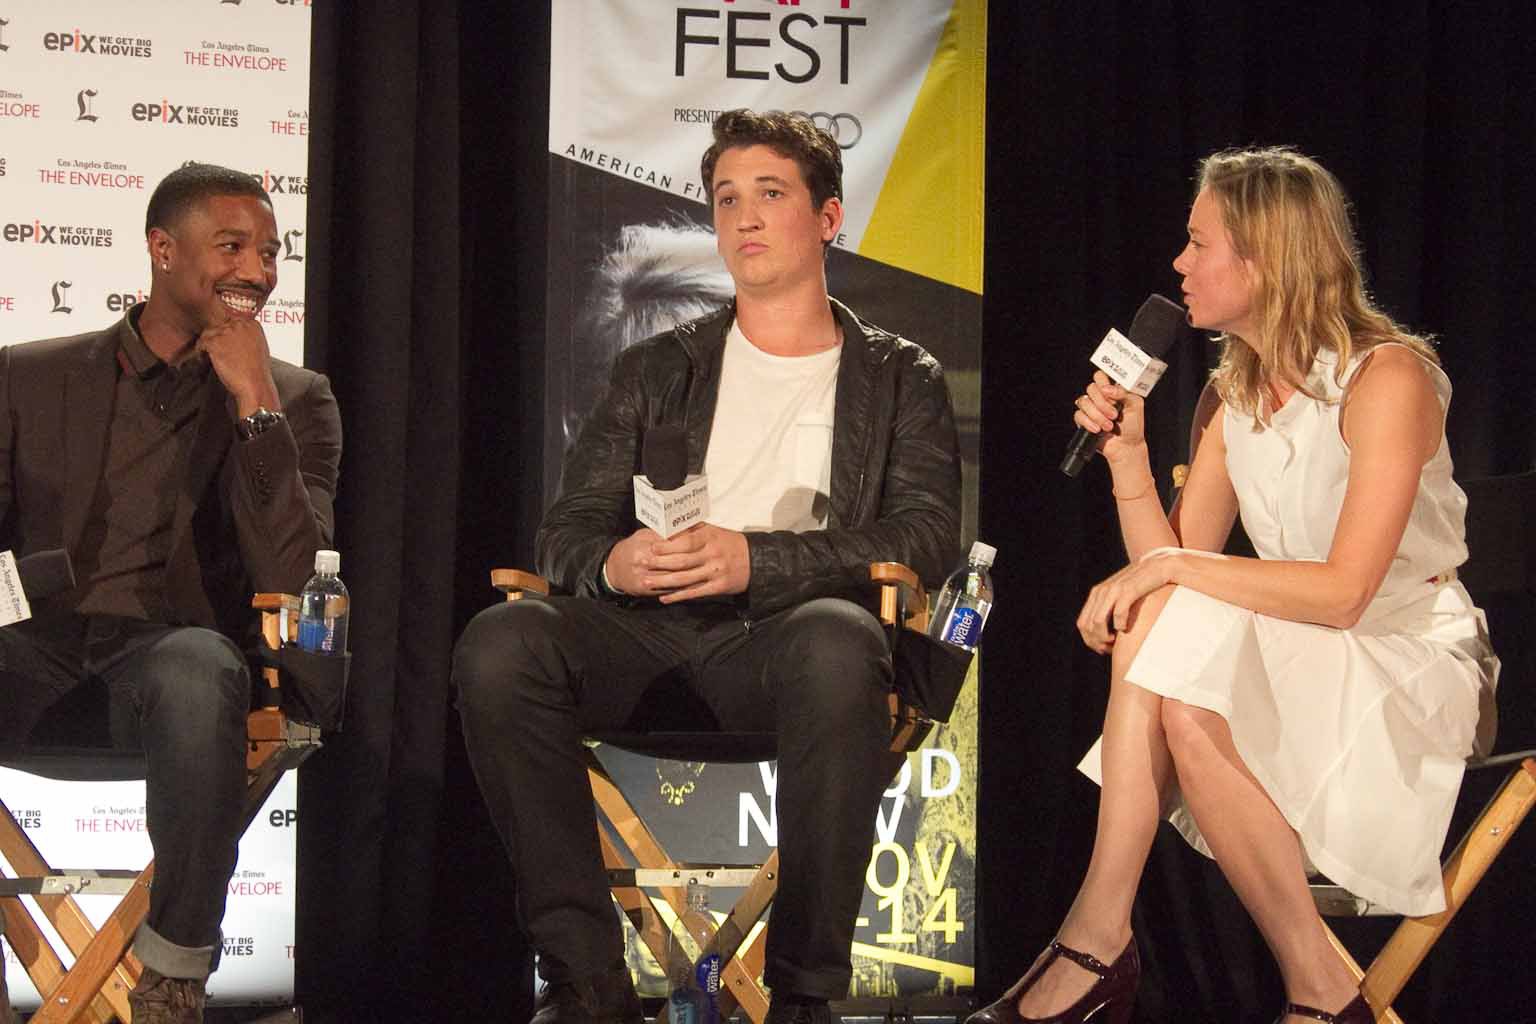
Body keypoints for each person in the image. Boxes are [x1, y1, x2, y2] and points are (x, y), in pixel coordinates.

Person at [968, 147, 1497, 1024]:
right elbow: (1167, 579)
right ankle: (1284, 984)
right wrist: (1130, 464)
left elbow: (1345, 594)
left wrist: (1171, 567)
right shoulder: (1231, 394)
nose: (1178, 264)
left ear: (1265, 256)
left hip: (1410, 663)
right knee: (1157, 632)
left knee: (1178, 661)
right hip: (1299, 658)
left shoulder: (1385, 378)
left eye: (1197, 242)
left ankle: (1106, 955)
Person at [454, 109, 961, 1024]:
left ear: (829, 217)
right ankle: (585, 984)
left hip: (796, 658)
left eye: (771, 194)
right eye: (727, 198)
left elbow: (924, 538)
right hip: (646, 645)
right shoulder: (658, 366)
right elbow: (565, 537)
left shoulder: (899, 376)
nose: (745, 217)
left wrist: (753, 563)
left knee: (840, 641)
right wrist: (618, 564)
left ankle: (805, 995)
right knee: (502, 643)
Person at [0, 163, 341, 1024]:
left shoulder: (296, 401)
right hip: (34, 653)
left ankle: (173, 976)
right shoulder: (28, 377)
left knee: (195, 666)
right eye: (232, 246)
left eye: (269, 252)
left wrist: (255, 405)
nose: (258, 272)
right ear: (161, 249)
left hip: (174, 673)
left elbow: (301, 584)